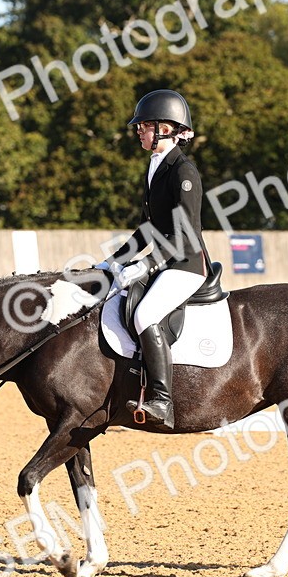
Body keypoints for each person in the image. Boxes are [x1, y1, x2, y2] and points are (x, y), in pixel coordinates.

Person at [97, 89, 207, 428]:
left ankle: (162, 401)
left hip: (186, 265)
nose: (138, 131)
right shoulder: (156, 166)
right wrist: (114, 260)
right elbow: (149, 227)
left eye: (144, 125)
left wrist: (149, 264)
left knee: (145, 313)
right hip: (167, 261)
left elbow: (184, 231)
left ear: (165, 128)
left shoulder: (182, 171)